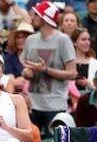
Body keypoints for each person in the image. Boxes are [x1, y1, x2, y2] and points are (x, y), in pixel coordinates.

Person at [21, 1, 76, 129]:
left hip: (55, 105)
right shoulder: (30, 40)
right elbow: (27, 68)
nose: (32, 17)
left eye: (36, 14)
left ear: (44, 18)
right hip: (33, 105)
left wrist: (46, 69)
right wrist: (26, 72)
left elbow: (72, 73)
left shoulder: (63, 40)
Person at [70, 27, 97, 100]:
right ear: (74, 43)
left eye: (88, 40)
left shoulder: (94, 63)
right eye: (83, 39)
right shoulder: (68, 62)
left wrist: (88, 84)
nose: (87, 42)